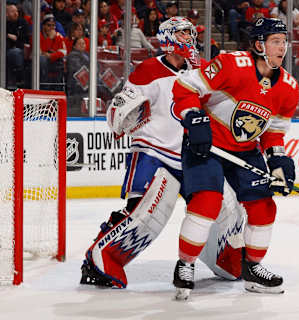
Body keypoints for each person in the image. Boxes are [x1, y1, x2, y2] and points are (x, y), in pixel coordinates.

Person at [80, 16, 245, 289]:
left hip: (193, 156)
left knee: (228, 208)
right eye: (181, 34)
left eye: (190, 34)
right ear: (167, 39)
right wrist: (123, 115)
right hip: (154, 153)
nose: (188, 40)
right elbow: (118, 112)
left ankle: (226, 260)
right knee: (143, 214)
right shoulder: (147, 70)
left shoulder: (201, 70)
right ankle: (100, 260)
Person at [170, 18, 299, 300]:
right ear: (258, 45)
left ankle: (252, 269)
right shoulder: (231, 64)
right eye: (275, 41)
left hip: (244, 150)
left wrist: (278, 160)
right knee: (207, 201)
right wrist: (194, 117)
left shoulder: (288, 87)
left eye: (284, 41)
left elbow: (274, 132)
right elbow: (185, 87)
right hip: (207, 145)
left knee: (264, 206)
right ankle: (185, 264)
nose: (282, 47)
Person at [40, 14, 67, 88]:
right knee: (42, 60)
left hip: (54, 61)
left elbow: (63, 52)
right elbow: (41, 53)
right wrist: (50, 39)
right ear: (43, 26)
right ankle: (44, 88)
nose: (52, 28)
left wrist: (51, 55)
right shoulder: (38, 36)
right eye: (49, 25)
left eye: (53, 25)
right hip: (41, 64)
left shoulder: (58, 36)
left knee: (59, 63)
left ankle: (57, 88)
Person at [6, 3, 29, 88]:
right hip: (6, 50)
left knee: (15, 53)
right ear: (6, 13)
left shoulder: (22, 23)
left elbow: (25, 41)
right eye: (12, 11)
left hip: (20, 50)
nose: (16, 13)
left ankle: (19, 80)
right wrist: (8, 36)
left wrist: (15, 40)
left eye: (16, 11)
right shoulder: (3, 23)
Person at [66, 37, 89, 116]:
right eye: (80, 43)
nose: (82, 45)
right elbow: (77, 69)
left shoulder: (87, 54)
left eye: (83, 43)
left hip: (87, 84)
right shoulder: (72, 55)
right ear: (74, 46)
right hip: (76, 85)